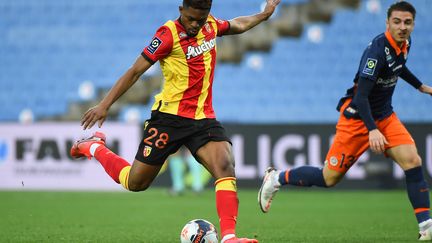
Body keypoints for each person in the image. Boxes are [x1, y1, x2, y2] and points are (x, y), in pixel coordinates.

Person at [70, 0, 280, 242]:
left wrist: (265, 14)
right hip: (169, 120)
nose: (195, 24)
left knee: (224, 166)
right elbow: (135, 70)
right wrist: (104, 105)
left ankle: (229, 237)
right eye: (191, 19)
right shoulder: (167, 34)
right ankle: (93, 146)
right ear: (181, 10)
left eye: (200, 20)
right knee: (135, 182)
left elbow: (238, 25)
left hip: (203, 118)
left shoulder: (209, 25)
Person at [258, 1, 432, 241]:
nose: (402, 27)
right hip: (358, 120)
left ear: (413, 24)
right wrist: (372, 130)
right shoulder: (376, 52)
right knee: (328, 178)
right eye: (397, 22)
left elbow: (398, 67)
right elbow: (360, 97)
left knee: (413, 161)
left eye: (408, 22)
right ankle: (276, 177)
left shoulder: (405, 44)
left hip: (385, 117)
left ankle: (426, 227)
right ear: (387, 23)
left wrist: (421, 87)